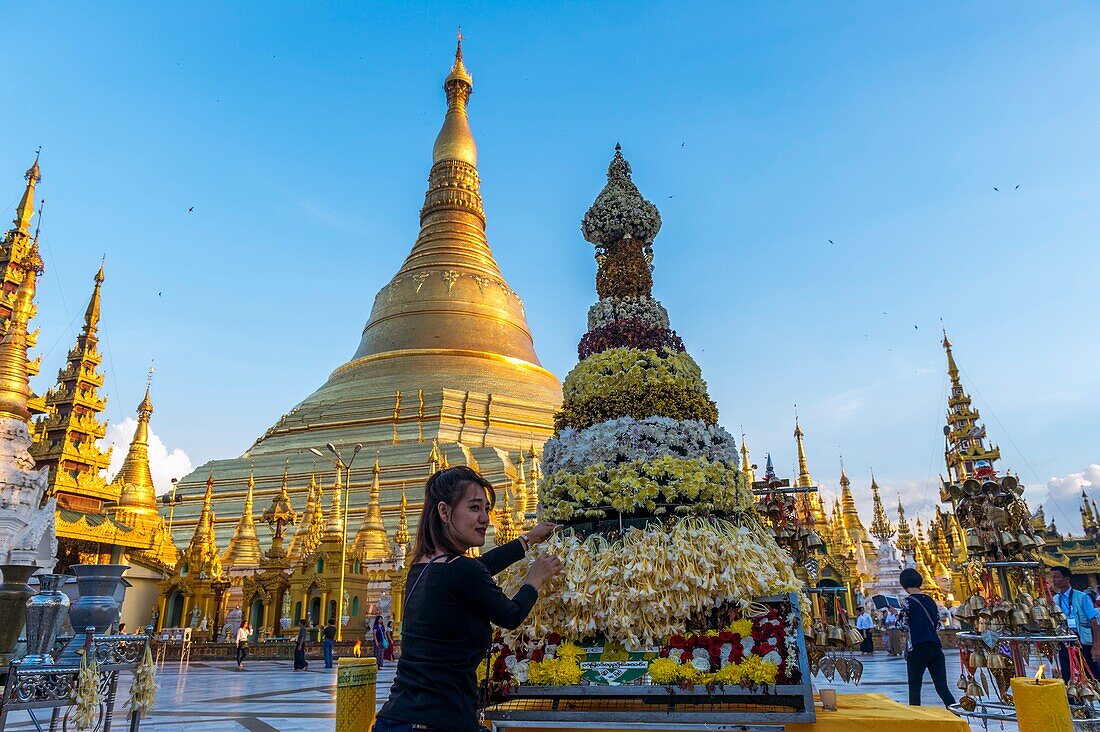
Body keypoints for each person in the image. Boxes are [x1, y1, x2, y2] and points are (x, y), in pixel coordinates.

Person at [374, 466, 562, 732]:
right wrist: (534, 579)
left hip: (397, 718)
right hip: (439, 721)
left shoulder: (422, 566)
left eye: (486, 509)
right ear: (444, 511)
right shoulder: (461, 569)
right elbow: (510, 615)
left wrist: (528, 539)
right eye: (474, 508)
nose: (485, 518)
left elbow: (481, 566)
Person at [900, 568, 955, 707]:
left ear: (904, 585)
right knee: (942, 687)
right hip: (935, 648)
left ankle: (917, 720)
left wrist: (896, 613)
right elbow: (937, 625)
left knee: (914, 688)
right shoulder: (930, 601)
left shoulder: (907, 602)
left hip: (917, 648)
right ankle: (957, 715)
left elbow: (902, 625)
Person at [1049, 566, 1100, 681]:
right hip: (1065, 642)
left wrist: (1096, 646)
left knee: (1093, 675)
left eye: (1056, 577)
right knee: (1067, 676)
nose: (1053, 580)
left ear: (1067, 579)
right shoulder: (1055, 599)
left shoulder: (1082, 597)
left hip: (1083, 641)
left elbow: (1094, 622)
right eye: (1052, 577)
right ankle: (1073, 698)